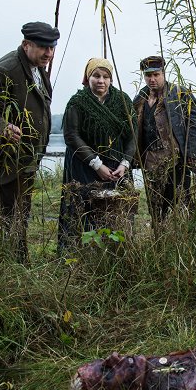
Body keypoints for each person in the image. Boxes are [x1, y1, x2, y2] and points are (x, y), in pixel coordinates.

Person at [0, 21, 59, 263]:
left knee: (21, 214)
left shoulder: (36, 67)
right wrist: (3, 128)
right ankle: (12, 268)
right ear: (26, 44)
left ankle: (17, 264)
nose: (48, 54)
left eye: (51, 48)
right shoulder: (6, 69)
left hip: (26, 159)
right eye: (43, 48)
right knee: (9, 217)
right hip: (5, 162)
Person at [57, 58, 137, 248]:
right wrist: (96, 163)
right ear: (87, 78)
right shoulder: (77, 102)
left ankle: (116, 253)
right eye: (96, 76)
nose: (101, 81)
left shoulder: (123, 101)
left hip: (117, 168)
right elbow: (71, 135)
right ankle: (78, 255)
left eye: (105, 77)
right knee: (81, 209)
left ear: (110, 79)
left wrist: (125, 163)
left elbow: (132, 135)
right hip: (83, 166)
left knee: (117, 209)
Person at [133, 55, 196, 228]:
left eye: (156, 74)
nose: (152, 79)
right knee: (155, 203)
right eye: (148, 75)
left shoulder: (179, 94)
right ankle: (159, 236)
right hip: (149, 160)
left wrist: (191, 153)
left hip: (176, 158)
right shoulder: (140, 97)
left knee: (180, 200)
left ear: (163, 73)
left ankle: (183, 238)